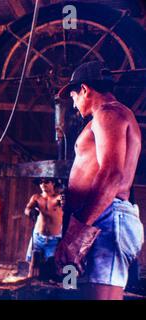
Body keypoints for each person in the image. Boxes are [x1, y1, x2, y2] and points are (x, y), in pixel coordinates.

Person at [55, 61, 144, 300]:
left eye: (73, 96)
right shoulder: (110, 115)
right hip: (102, 217)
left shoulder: (107, 113)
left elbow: (112, 174)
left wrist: (78, 232)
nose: (73, 104)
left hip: (107, 218)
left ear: (85, 89)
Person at [24, 178, 63, 274]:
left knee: (54, 269)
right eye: (40, 182)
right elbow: (27, 209)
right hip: (38, 237)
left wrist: (63, 203)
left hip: (54, 240)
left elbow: (65, 204)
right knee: (33, 267)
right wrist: (30, 212)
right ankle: (29, 286)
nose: (43, 185)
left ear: (53, 183)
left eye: (46, 182)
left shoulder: (59, 198)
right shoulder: (36, 198)